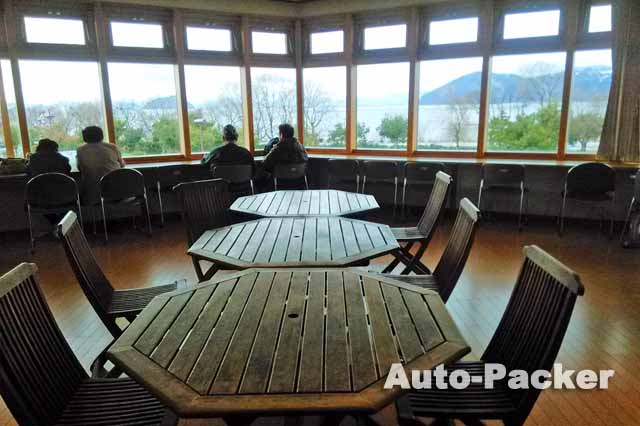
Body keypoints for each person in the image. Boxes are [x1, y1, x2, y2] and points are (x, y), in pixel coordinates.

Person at [76, 126, 124, 205]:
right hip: (117, 191)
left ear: (85, 137)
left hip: (93, 194)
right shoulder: (112, 147)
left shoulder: (80, 150)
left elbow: (80, 168)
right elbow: (122, 165)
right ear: (101, 135)